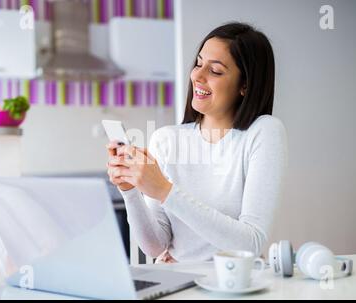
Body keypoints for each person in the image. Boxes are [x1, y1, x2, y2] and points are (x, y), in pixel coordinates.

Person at [106, 22, 288, 263]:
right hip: (184, 282)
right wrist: (129, 190)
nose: (197, 76)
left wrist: (164, 190)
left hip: (238, 283)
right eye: (199, 63)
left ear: (245, 85)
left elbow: (250, 243)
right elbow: (155, 246)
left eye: (215, 71)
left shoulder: (263, 132)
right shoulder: (166, 139)